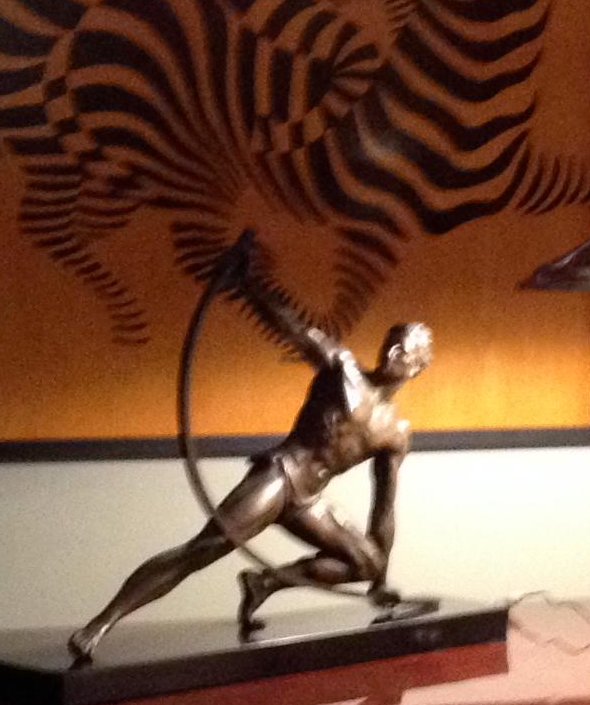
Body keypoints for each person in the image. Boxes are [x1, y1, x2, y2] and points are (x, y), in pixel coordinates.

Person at [68, 233, 433, 660]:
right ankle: (101, 624)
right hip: (279, 476)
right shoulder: (343, 370)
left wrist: (380, 580)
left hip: (309, 499)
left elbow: (384, 509)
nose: (394, 352)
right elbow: (296, 329)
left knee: (366, 561)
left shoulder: (395, 432)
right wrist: (246, 283)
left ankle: (266, 583)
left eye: (406, 351)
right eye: (393, 342)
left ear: (418, 366)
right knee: (202, 551)